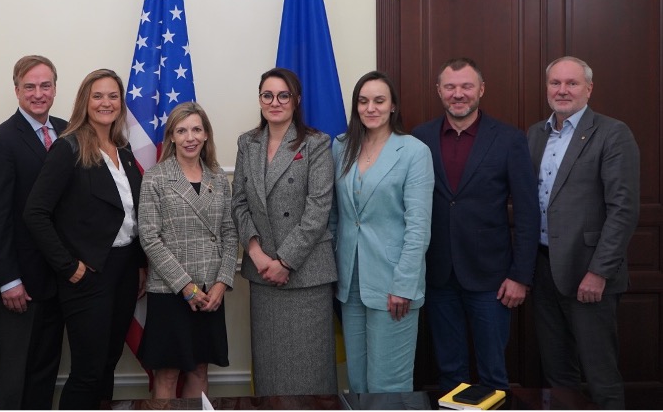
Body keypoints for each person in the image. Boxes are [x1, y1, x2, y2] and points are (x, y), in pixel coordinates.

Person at [411, 57, 539, 391]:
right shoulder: (418, 138)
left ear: (480, 90)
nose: (458, 94)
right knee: (449, 373)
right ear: (439, 91)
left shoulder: (509, 139)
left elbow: (527, 213)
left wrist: (520, 276)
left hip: (492, 279)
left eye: (466, 86)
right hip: (437, 275)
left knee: (493, 374)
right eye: (450, 87)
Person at [23, 68, 145, 410]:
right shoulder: (68, 147)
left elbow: (131, 217)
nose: (106, 103)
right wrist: (68, 266)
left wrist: (138, 265)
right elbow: (35, 213)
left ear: (121, 103)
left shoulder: (124, 150)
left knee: (108, 363)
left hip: (123, 270)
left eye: (113, 96)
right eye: (98, 96)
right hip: (88, 274)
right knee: (88, 372)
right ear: (84, 102)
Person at [527, 56, 639, 409]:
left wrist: (599, 272)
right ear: (546, 88)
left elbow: (623, 210)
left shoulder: (613, 133)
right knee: (558, 375)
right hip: (543, 270)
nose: (562, 90)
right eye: (555, 83)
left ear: (588, 89)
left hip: (588, 274)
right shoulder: (535, 133)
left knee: (600, 375)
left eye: (571, 83)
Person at [231, 67, 338, 396]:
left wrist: (285, 262)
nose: (274, 102)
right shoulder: (247, 143)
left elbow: (318, 209)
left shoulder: (316, 144)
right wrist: (257, 255)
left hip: (305, 274)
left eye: (283, 95)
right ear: (260, 100)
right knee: (271, 373)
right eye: (267, 95)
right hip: (263, 274)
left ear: (296, 100)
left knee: (309, 372)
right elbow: (238, 203)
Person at [330, 71, 434, 393]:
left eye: (379, 100)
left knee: (388, 383)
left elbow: (418, 227)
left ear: (392, 107)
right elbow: (336, 216)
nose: (370, 108)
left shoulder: (414, 151)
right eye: (363, 101)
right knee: (358, 380)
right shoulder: (341, 146)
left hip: (394, 283)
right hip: (350, 281)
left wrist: (404, 284)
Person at [0, 55, 68, 409]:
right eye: (29, 86)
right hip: (20, 285)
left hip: (59, 280)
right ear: (16, 90)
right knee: (13, 376)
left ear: (55, 89)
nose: (38, 93)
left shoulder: (70, 131)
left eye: (45, 86)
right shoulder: (0, 141)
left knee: (45, 373)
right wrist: (8, 279)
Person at [137, 102, 238, 399]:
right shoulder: (156, 177)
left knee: (199, 370)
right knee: (167, 373)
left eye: (196, 129)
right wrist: (186, 287)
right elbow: (150, 238)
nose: (190, 137)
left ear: (206, 134)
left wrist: (222, 283)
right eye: (181, 131)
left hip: (210, 292)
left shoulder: (218, 178)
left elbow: (230, 233)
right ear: (171, 136)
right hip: (171, 291)